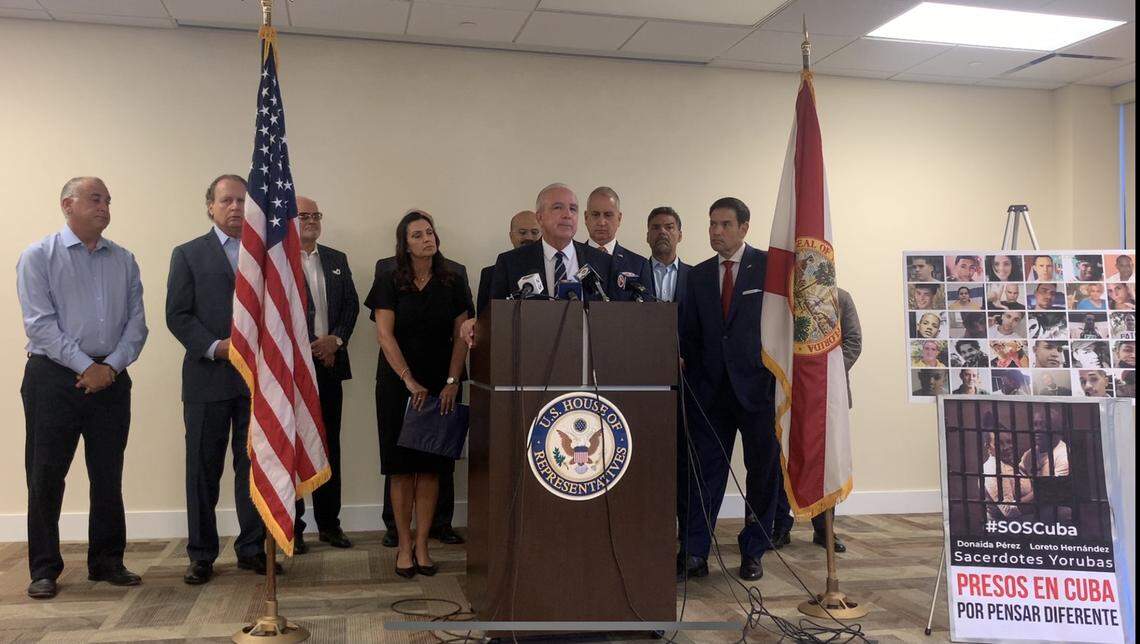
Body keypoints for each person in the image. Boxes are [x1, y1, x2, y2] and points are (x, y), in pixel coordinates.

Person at [17, 177, 148, 600]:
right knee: (46, 474)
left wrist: (108, 367)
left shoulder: (124, 260)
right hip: (53, 378)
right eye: (95, 199)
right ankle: (44, 568)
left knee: (108, 474)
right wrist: (84, 366)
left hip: (111, 378)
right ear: (67, 204)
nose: (105, 206)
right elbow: (40, 324)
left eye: (108, 200)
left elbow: (136, 326)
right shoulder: (38, 256)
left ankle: (107, 560)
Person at [166, 175, 277, 585]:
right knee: (202, 469)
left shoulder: (268, 256)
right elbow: (176, 315)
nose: (235, 207)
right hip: (206, 378)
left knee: (252, 467)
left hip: (257, 381)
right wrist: (216, 346)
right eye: (226, 200)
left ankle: (251, 549)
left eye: (242, 201)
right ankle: (201, 554)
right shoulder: (189, 254)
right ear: (210, 206)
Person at [364, 210, 471, 579]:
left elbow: (463, 336)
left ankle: (423, 544)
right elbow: (384, 336)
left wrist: (453, 382)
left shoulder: (453, 280)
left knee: (430, 469)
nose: (427, 238)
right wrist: (409, 381)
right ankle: (404, 546)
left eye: (430, 232)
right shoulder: (389, 279)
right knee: (401, 470)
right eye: (417, 235)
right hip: (398, 385)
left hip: (442, 384)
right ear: (404, 244)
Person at [678, 197, 776, 582]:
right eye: (712, 224)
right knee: (704, 475)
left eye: (724, 224)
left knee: (762, 474)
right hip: (710, 395)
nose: (716, 231)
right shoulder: (698, 275)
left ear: (744, 227)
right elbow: (688, 334)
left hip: (758, 392)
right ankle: (694, 552)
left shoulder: (769, 268)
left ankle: (754, 550)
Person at [290, 196, 359, 553]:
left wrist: (336, 339)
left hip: (331, 364)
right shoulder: (279, 260)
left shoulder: (336, 259)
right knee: (295, 445)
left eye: (316, 215)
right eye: (304, 215)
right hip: (292, 371)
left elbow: (351, 305)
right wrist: (308, 347)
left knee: (329, 445)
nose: (312, 221)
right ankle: (294, 527)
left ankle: (330, 525)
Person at [771, 288, 861, 553]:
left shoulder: (841, 297)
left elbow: (854, 341)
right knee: (783, 458)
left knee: (825, 461)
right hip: (789, 394)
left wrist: (824, 374)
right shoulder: (782, 297)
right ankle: (780, 527)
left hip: (828, 396)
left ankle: (824, 530)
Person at [488, 183, 615, 301]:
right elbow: (497, 316)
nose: (568, 215)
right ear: (539, 217)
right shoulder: (510, 263)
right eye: (558, 208)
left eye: (573, 209)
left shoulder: (602, 261)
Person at [584, 186, 652, 295]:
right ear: (586, 218)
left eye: (608, 215)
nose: (601, 222)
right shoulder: (573, 259)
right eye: (595, 215)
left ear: (619, 219)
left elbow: (647, 310)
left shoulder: (639, 265)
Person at [475, 210, 540, 315]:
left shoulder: (552, 271)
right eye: (522, 232)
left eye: (534, 232)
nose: (528, 237)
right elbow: (484, 320)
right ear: (511, 236)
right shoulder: (490, 274)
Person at [645, 206, 690, 304]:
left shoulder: (694, 276)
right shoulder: (636, 274)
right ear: (648, 237)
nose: (662, 232)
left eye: (669, 227)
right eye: (656, 227)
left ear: (680, 236)